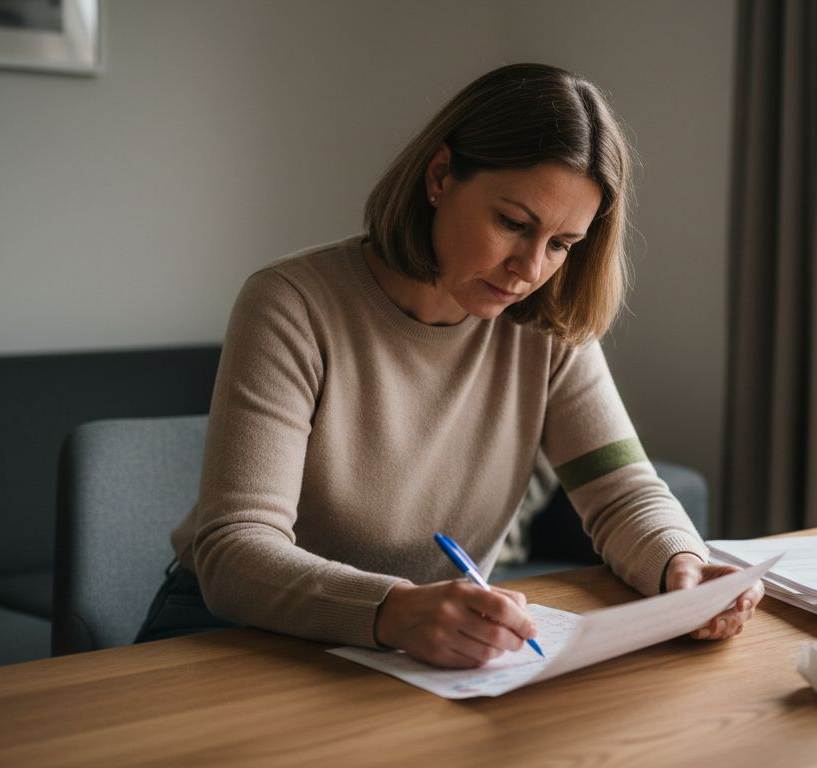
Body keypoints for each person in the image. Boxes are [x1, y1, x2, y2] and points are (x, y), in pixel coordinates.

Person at [136, 63, 765, 668]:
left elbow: (622, 492)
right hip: (234, 632)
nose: (530, 269)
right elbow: (233, 551)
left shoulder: (543, 323)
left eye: (561, 245)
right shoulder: (292, 303)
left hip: (416, 647)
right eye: (513, 223)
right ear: (440, 177)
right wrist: (393, 609)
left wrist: (681, 564)